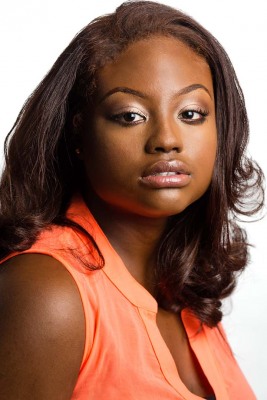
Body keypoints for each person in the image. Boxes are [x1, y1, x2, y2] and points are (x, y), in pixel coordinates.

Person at [0, 1, 264, 399]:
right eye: (130, 116)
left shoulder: (183, 290)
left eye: (191, 113)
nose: (167, 139)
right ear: (77, 135)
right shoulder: (48, 293)